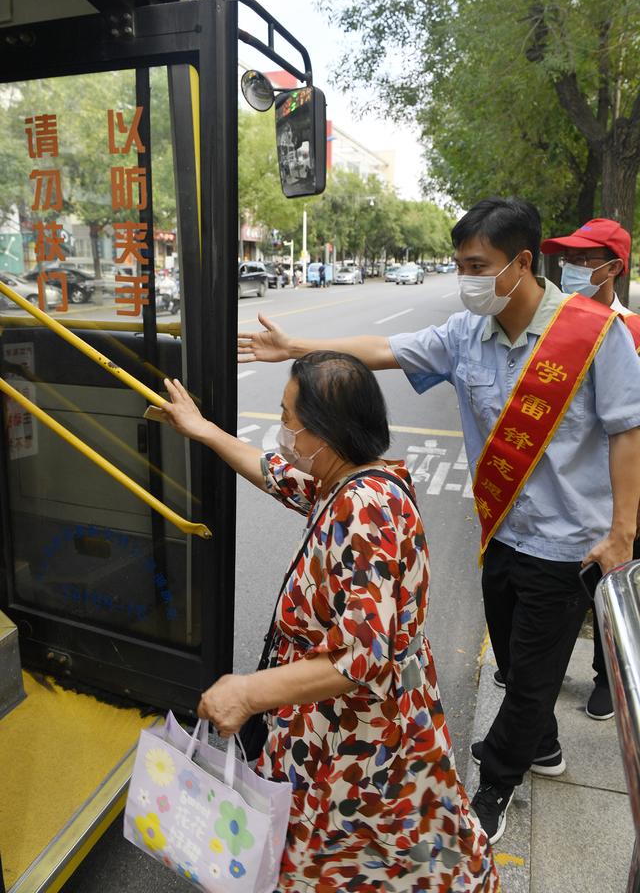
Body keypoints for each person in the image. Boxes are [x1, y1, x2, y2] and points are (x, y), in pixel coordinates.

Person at [238, 196, 640, 845]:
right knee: (515, 668)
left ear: (521, 263)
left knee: (531, 679)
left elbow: (628, 431)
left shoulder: (595, 334)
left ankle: (494, 787)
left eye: (477, 265)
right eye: (460, 265)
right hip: (500, 537)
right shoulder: (465, 337)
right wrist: (295, 344)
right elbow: (383, 347)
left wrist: (622, 534)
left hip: (567, 549)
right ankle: (542, 745)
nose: (467, 279)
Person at [160, 354, 498, 893]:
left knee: (371, 845)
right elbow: (271, 472)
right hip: (340, 724)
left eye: (289, 417)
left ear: (327, 430)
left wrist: (248, 692)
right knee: (352, 849)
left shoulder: (366, 508)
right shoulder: (341, 481)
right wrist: (202, 430)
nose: (282, 430)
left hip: (361, 733)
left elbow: (359, 656)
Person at [541, 218, 640, 721]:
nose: (572, 269)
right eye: (568, 260)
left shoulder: (633, 332)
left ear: (613, 269)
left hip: (620, 491)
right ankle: (542, 677)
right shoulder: (552, 326)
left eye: (583, 261)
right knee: (561, 591)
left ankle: (609, 676)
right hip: (568, 489)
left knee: (610, 588)